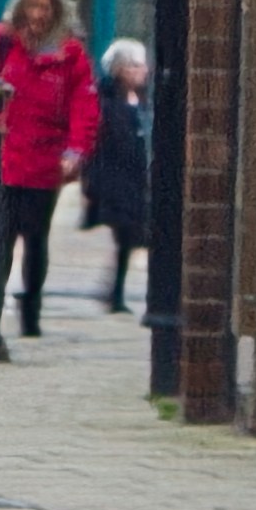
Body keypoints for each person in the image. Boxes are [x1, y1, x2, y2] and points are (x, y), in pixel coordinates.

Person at [0, 0, 98, 340]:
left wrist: (76, 150)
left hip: (44, 161)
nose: (39, 14)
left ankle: (31, 311)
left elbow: (83, 105)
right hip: (3, 157)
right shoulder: (0, 42)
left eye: (46, 7)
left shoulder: (70, 52)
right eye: (34, 5)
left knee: (36, 239)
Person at [86, 38, 154, 313]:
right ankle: (113, 293)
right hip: (118, 181)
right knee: (127, 236)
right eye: (136, 65)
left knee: (131, 239)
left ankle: (113, 290)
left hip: (139, 180)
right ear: (121, 69)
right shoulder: (106, 102)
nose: (143, 70)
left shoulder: (144, 99)